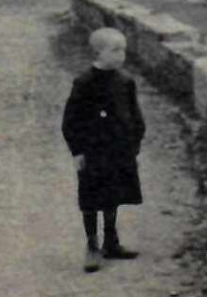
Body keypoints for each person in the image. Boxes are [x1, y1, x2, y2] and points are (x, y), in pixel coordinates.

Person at [61, 27, 144, 273]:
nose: (121, 55)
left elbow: (135, 115)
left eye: (123, 50)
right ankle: (92, 245)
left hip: (119, 151)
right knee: (91, 197)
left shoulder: (125, 82)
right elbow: (71, 121)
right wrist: (77, 151)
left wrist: (135, 143)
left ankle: (111, 241)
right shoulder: (84, 83)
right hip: (93, 152)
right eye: (115, 50)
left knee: (113, 195)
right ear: (98, 52)